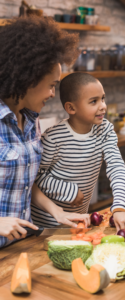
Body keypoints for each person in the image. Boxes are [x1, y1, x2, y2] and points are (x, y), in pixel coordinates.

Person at [0, 17, 90, 248]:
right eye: (51, 85)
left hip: (19, 245)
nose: (53, 93)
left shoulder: (30, 120)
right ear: (27, 78)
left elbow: (25, 183)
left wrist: (57, 212)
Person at [32, 73, 125, 233]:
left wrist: (120, 207)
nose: (103, 106)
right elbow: (34, 176)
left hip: (79, 220)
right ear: (71, 108)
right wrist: (67, 190)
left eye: (103, 98)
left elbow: (117, 168)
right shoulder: (53, 138)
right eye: (94, 101)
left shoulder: (105, 129)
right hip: (46, 225)